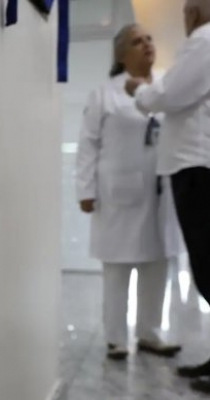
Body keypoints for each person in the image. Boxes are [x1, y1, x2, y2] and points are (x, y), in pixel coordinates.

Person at [76, 24, 182, 361]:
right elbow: (88, 144)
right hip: (118, 193)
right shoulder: (104, 94)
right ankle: (116, 338)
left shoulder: (167, 85)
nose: (147, 45)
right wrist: (85, 189)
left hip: (162, 191)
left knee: (158, 262)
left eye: (149, 39)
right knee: (117, 268)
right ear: (121, 54)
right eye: (137, 42)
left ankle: (150, 333)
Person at [125, 0, 210, 393]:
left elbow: (171, 95)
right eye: (136, 40)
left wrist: (141, 91)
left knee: (207, 266)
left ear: (194, 14)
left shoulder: (204, 40)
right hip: (192, 166)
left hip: (195, 167)